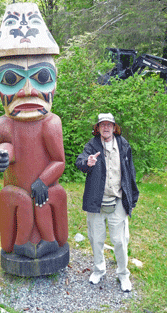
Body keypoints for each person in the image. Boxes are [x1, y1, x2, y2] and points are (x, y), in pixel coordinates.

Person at [75, 113, 139, 292]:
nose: (105, 127)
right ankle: (98, 270)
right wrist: (87, 162)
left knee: (119, 241)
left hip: (118, 200)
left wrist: (132, 198)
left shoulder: (123, 144)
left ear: (114, 127)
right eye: (102, 125)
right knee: (96, 240)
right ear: (97, 128)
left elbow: (130, 172)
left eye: (109, 125)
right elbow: (79, 162)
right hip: (96, 202)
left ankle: (123, 275)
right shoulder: (92, 145)